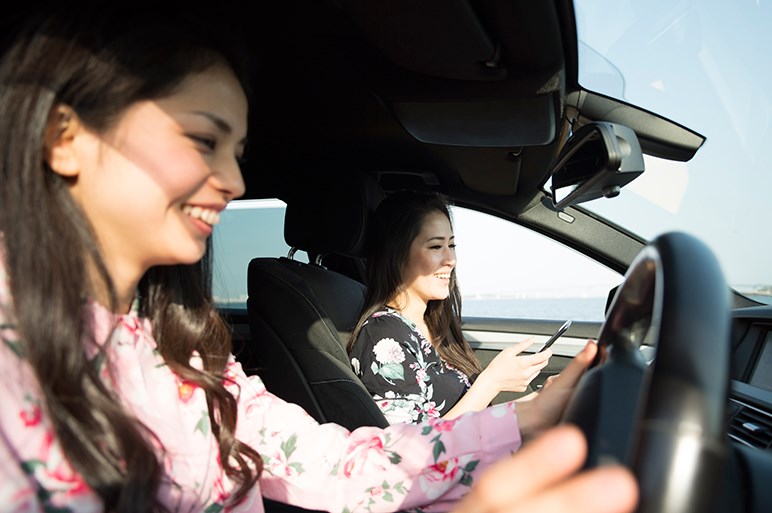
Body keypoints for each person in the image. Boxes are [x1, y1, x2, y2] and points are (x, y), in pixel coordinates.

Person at [0, 10, 636, 513]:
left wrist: (526, 416)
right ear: (66, 137)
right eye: (203, 140)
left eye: (238, 151)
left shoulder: (185, 354)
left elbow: (338, 466)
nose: (231, 179)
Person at [349, 190, 554, 424]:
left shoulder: (432, 324)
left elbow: (471, 420)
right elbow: (411, 448)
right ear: (397, 254)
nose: (450, 259)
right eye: (436, 247)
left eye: (452, 245)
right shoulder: (384, 336)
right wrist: (491, 382)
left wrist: (543, 398)